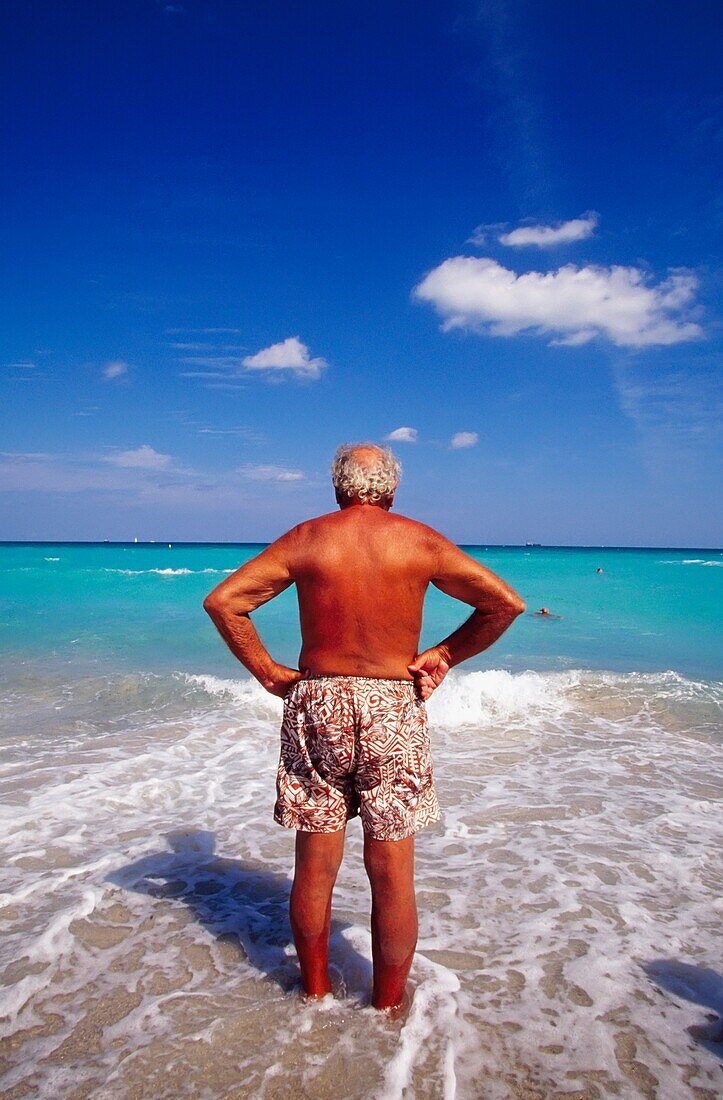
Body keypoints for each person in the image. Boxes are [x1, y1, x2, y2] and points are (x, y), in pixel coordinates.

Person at [203, 442, 525, 1014]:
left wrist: (266, 671)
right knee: (393, 870)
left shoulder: (307, 537)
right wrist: (445, 654)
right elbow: (504, 604)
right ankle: (388, 1010)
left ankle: (315, 996)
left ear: (336, 489)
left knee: (315, 863)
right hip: (393, 706)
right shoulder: (418, 540)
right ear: (392, 491)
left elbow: (225, 602)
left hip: (317, 700)